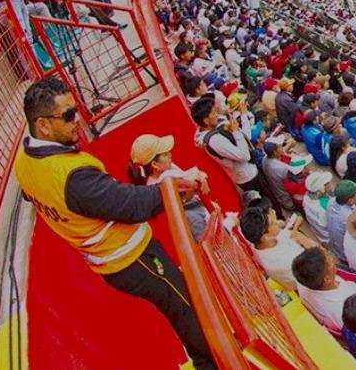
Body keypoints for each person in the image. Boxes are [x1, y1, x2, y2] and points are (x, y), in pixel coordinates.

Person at [13, 78, 215, 369]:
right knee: (188, 309)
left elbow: (32, 195)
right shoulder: (73, 176)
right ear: (43, 125)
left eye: (76, 110)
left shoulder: (25, 160)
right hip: (133, 258)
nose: (78, 121)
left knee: (180, 308)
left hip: (114, 262)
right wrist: (179, 187)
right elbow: (131, 205)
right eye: (68, 116)